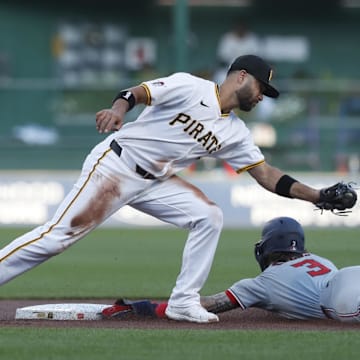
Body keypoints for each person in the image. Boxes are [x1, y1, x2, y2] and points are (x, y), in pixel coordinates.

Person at [0, 54, 340, 324]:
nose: (262, 97)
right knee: (56, 238)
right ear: (241, 76)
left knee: (208, 216)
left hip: (155, 182)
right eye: (261, 89)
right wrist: (117, 110)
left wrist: (319, 196)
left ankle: (183, 302)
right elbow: (135, 93)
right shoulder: (191, 87)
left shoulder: (236, 133)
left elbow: (267, 175)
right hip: (117, 165)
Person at [102, 217, 360, 323]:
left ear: (267, 246)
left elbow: (204, 305)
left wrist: (143, 308)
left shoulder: (262, 283)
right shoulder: (321, 260)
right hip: (348, 275)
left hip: (339, 298)